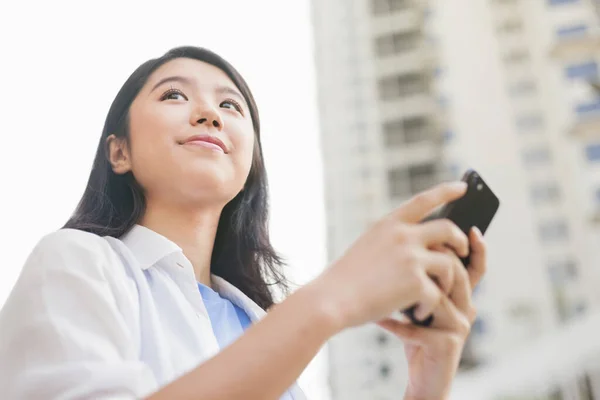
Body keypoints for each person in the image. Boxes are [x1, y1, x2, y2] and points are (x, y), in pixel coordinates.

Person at [0, 46, 487, 400]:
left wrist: (428, 382)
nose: (209, 113)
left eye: (230, 106)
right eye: (174, 95)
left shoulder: (255, 322)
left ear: (250, 161)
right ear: (119, 152)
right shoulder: (75, 262)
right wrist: (332, 298)